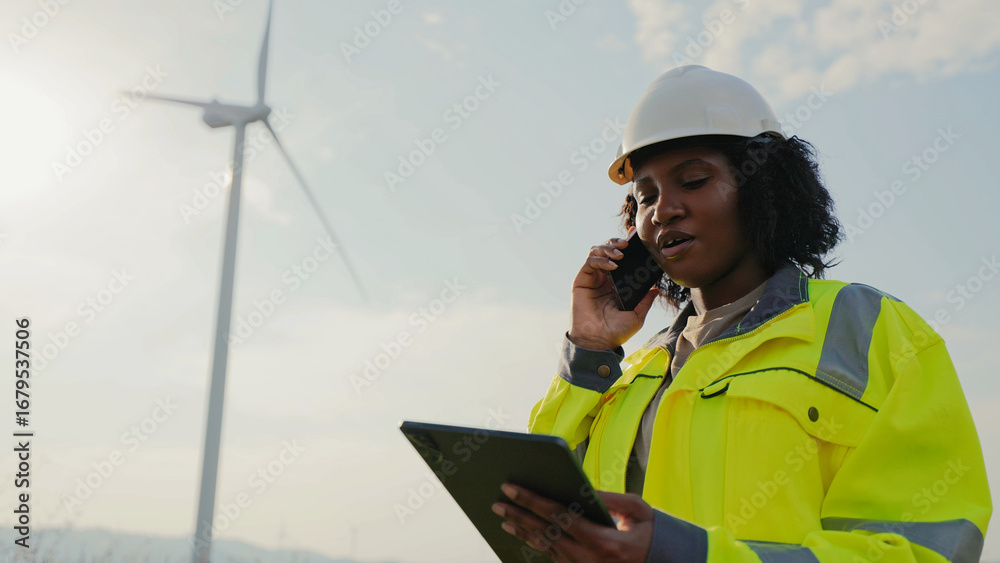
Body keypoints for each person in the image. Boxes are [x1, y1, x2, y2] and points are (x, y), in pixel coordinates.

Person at [490, 65, 991, 562]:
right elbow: (533, 518)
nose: (663, 209)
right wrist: (590, 348)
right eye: (646, 195)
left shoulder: (870, 330)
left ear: (763, 186)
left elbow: (924, 550)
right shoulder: (631, 375)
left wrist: (686, 554)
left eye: (692, 180)